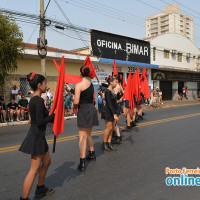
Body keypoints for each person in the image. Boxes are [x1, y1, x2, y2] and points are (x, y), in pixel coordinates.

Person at [19, 72, 55, 200]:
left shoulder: (36, 99)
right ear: (39, 85)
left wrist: (54, 115)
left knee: (46, 162)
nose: (46, 86)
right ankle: (24, 197)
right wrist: (53, 117)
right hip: (36, 136)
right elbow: (39, 121)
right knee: (33, 170)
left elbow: (44, 117)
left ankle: (40, 188)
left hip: (39, 135)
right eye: (45, 83)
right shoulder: (38, 100)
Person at [73, 66, 99, 172]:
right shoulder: (91, 84)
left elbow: (76, 102)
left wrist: (74, 105)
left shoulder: (79, 85)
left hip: (83, 109)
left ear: (81, 74)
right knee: (88, 134)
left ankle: (82, 162)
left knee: (82, 137)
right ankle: (92, 154)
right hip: (91, 108)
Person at [101, 75, 119, 151]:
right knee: (108, 128)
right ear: (111, 82)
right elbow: (109, 103)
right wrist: (114, 114)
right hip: (108, 111)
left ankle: (109, 143)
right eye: (115, 82)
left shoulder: (113, 91)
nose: (116, 84)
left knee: (112, 129)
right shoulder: (107, 91)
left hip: (113, 111)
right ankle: (104, 144)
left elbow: (115, 102)